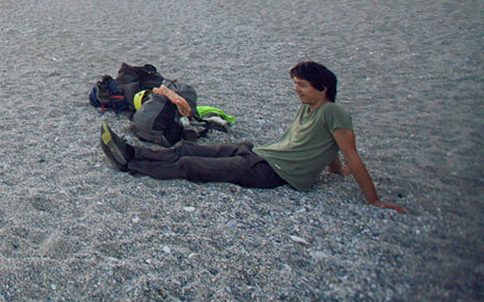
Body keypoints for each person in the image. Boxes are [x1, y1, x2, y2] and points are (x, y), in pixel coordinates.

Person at [99, 61, 406, 212]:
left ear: (322, 88)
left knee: (191, 166)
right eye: (296, 84)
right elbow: (329, 147)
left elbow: (351, 153)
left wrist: (375, 200)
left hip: (272, 172)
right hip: (262, 154)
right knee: (188, 149)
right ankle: (132, 151)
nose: (296, 89)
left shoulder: (333, 113)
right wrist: (336, 170)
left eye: (302, 85)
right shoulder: (312, 108)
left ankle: (132, 164)